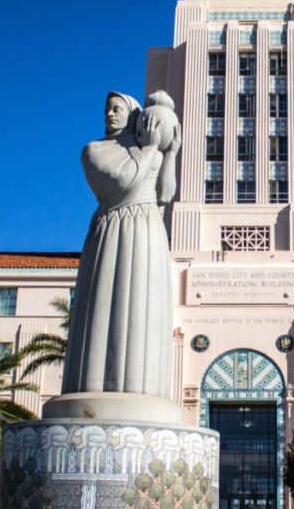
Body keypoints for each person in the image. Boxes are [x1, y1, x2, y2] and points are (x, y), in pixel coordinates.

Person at [61, 90, 181, 398]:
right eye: (107, 110)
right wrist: (151, 148)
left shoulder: (149, 151)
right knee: (105, 302)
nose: (110, 114)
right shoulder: (95, 151)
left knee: (144, 303)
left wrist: (170, 154)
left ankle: (144, 392)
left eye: (116, 109)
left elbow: (165, 195)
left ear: (133, 116)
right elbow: (124, 181)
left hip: (148, 229)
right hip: (114, 227)